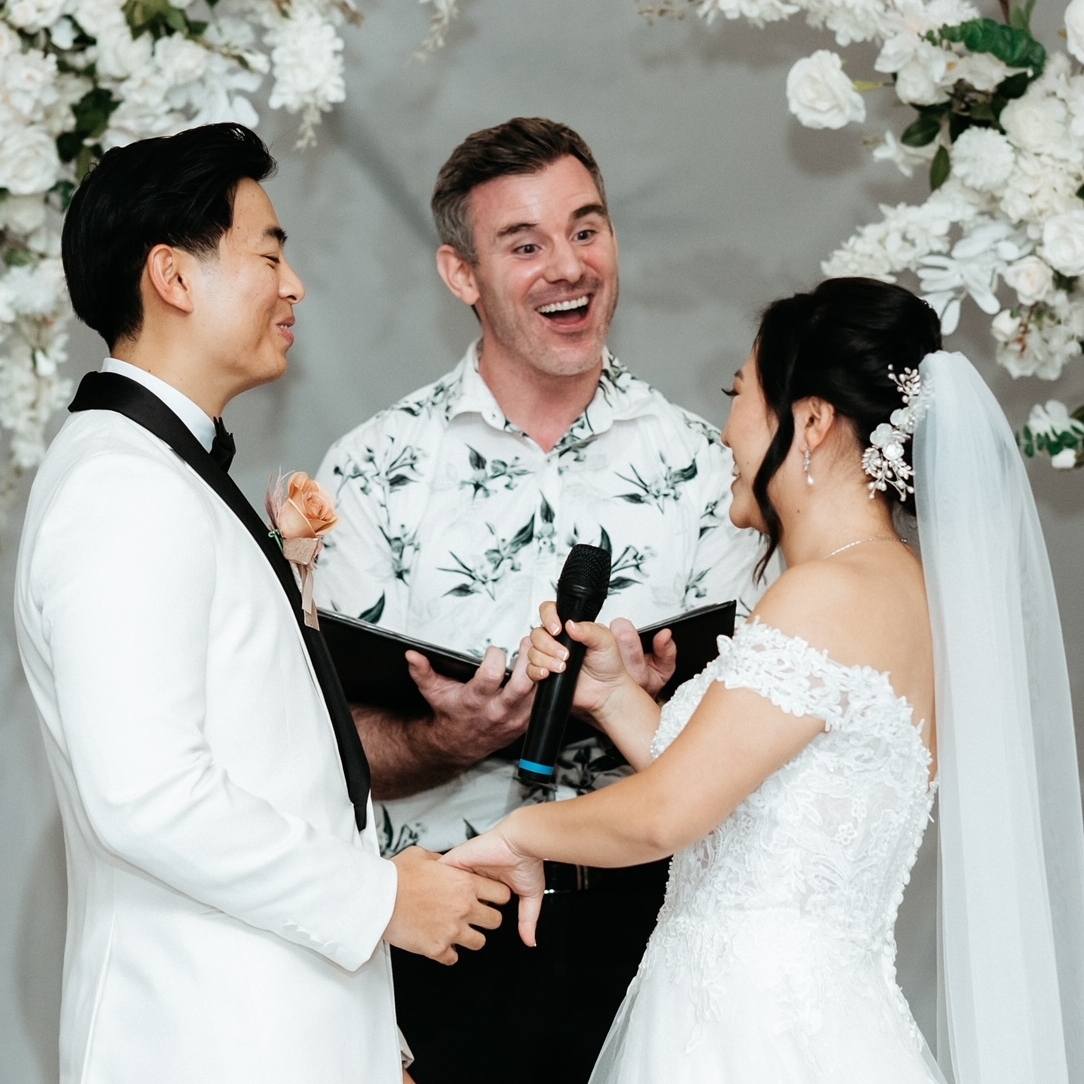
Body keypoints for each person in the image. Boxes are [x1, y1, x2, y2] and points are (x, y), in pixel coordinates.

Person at [444, 277, 1084, 1084]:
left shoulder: (829, 594)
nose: (726, 431)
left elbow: (669, 813)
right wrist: (612, 696)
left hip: (755, 1034)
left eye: (738, 394)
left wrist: (518, 835)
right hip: (787, 1018)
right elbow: (744, 793)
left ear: (810, 421)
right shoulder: (894, 588)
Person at [14, 123, 511, 1084]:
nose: (295, 287)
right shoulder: (123, 488)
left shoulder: (166, 471)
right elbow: (147, 796)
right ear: (173, 275)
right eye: (270, 255)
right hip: (201, 1038)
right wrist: (378, 900)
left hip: (276, 1030)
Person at [314, 117, 764, 1082]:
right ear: (461, 273)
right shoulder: (371, 473)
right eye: (524, 245)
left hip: (662, 932)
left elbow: (752, 754)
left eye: (586, 229)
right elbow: (325, 760)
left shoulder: (706, 470)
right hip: (446, 935)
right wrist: (448, 737)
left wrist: (647, 706)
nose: (569, 266)